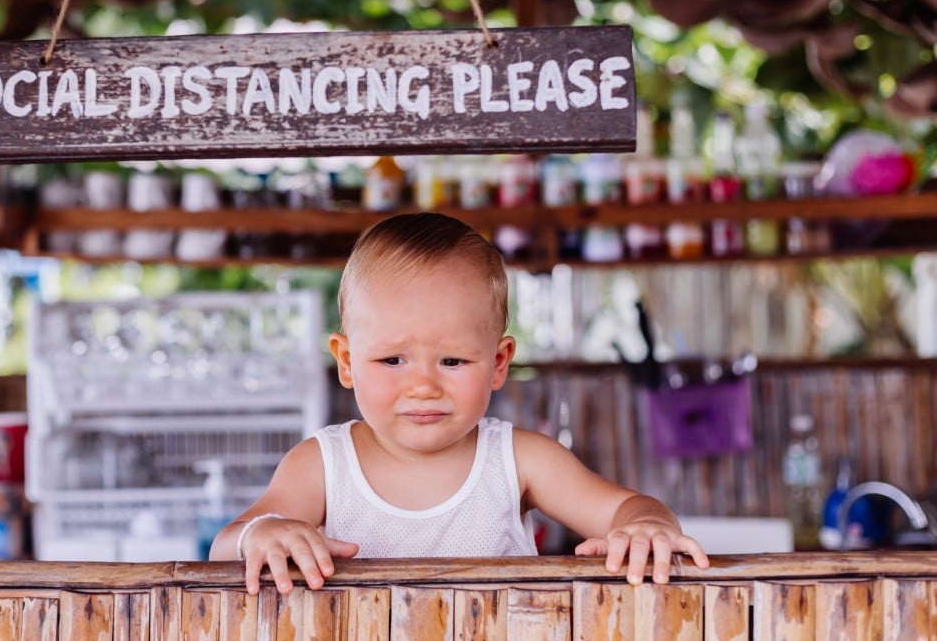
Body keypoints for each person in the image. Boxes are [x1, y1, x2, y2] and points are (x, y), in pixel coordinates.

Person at [209, 212, 710, 594]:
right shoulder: (321, 465)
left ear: (498, 362)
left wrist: (646, 526)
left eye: (451, 362)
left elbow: (628, 507)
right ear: (346, 361)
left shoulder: (520, 460)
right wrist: (263, 533)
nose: (423, 386)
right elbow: (222, 550)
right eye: (392, 361)